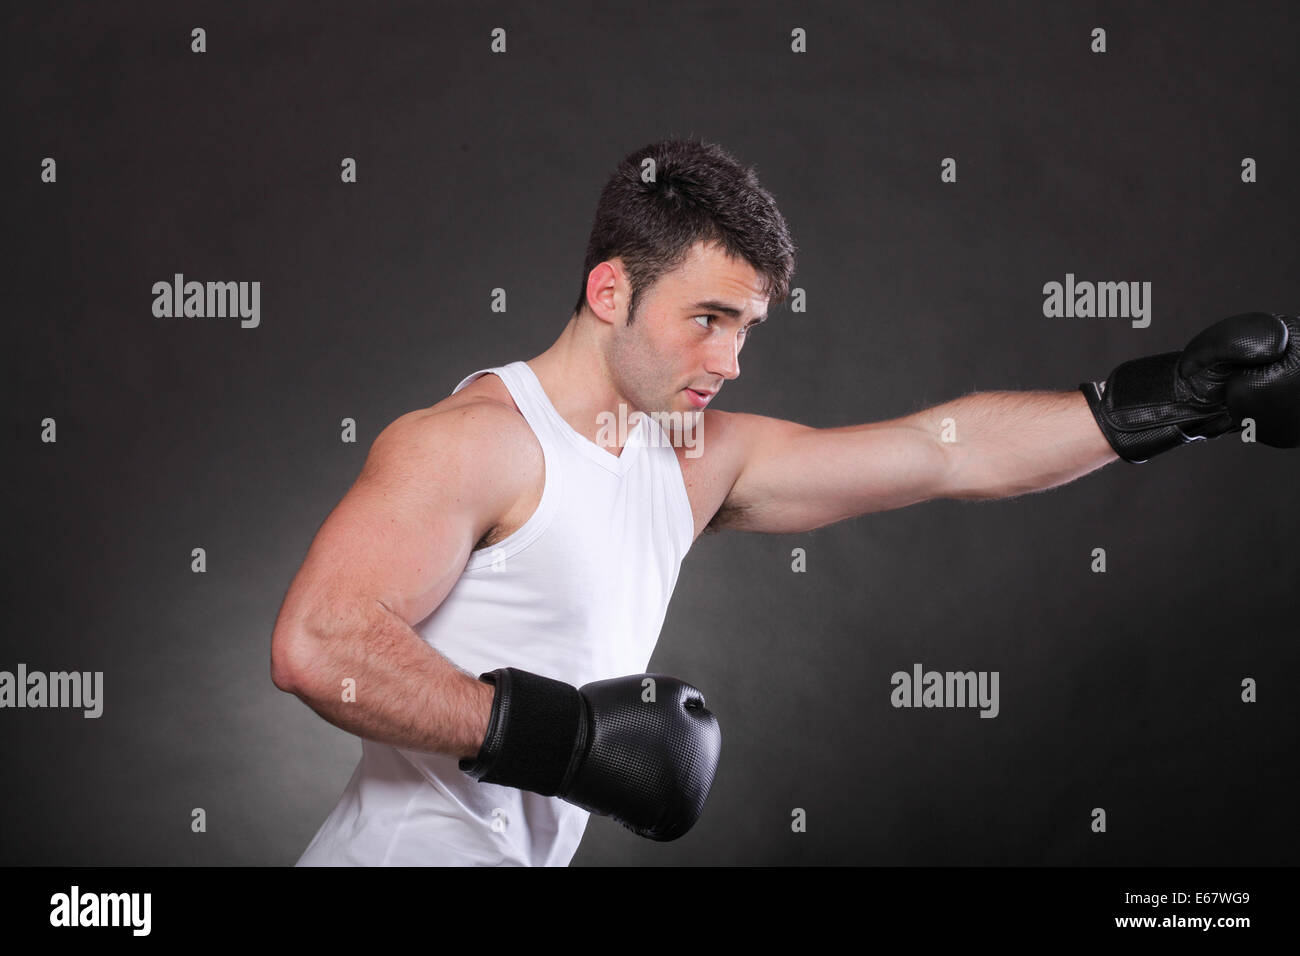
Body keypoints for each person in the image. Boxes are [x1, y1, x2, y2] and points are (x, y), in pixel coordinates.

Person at [270, 138, 1300, 866]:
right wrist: (569, 742)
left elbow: (942, 453)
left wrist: (1175, 401)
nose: (728, 359)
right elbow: (319, 643)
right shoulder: (474, 440)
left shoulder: (692, 456)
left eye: (748, 326)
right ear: (609, 291)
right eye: (707, 317)